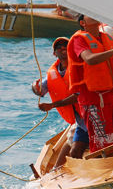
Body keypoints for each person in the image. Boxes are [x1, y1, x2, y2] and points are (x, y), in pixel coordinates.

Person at [67, 15, 113, 154]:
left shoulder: (107, 38)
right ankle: (109, 173)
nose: (93, 14)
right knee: (104, 147)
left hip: (110, 97)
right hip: (92, 100)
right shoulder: (79, 39)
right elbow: (90, 59)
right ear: (83, 23)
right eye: (88, 14)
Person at [31, 37, 88, 166]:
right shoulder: (53, 72)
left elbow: (78, 96)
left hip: (91, 115)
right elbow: (40, 90)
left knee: (75, 147)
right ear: (54, 53)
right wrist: (35, 87)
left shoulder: (79, 67)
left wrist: (52, 105)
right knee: (72, 147)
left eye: (65, 46)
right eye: (59, 47)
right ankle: (55, 172)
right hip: (79, 120)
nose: (62, 48)